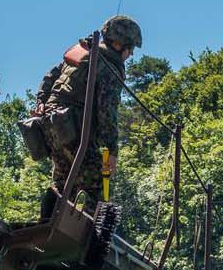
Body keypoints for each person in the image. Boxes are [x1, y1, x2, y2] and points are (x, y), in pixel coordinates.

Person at [34, 15, 143, 221]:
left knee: (62, 181)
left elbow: (49, 77)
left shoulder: (82, 53)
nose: (130, 55)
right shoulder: (110, 66)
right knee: (96, 184)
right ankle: (89, 242)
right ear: (119, 45)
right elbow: (107, 111)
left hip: (51, 126)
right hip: (75, 131)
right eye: (131, 49)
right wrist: (111, 151)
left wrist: (41, 103)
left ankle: (47, 226)